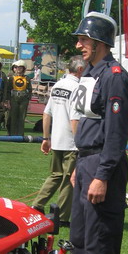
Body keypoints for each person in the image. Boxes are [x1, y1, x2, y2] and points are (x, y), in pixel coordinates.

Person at [69, 12, 128, 254]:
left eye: (84, 40)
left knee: (100, 242)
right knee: (79, 238)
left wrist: (102, 174)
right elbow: (88, 122)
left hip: (100, 164)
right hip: (87, 162)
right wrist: (79, 164)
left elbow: (116, 132)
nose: (78, 45)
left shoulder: (114, 77)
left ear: (100, 42)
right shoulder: (91, 73)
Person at [31, 55, 85, 224]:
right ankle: (61, 217)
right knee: (69, 179)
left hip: (57, 139)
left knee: (55, 175)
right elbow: (75, 119)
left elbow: (47, 113)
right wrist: (80, 143)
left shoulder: (57, 85)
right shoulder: (78, 88)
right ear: (80, 70)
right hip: (71, 141)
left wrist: (46, 137)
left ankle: (37, 204)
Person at [7, 59, 32, 136]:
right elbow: (8, 90)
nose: (18, 69)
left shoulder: (27, 78)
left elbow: (30, 89)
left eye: (20, 68)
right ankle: (12, 134)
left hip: (24, 99)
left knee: (22, 117)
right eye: (17, 67)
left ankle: (20, 134)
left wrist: (28, 99)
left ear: (23, 69)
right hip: (14, 98)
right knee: (13, 116)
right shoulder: (12, 78)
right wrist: (8, 101)